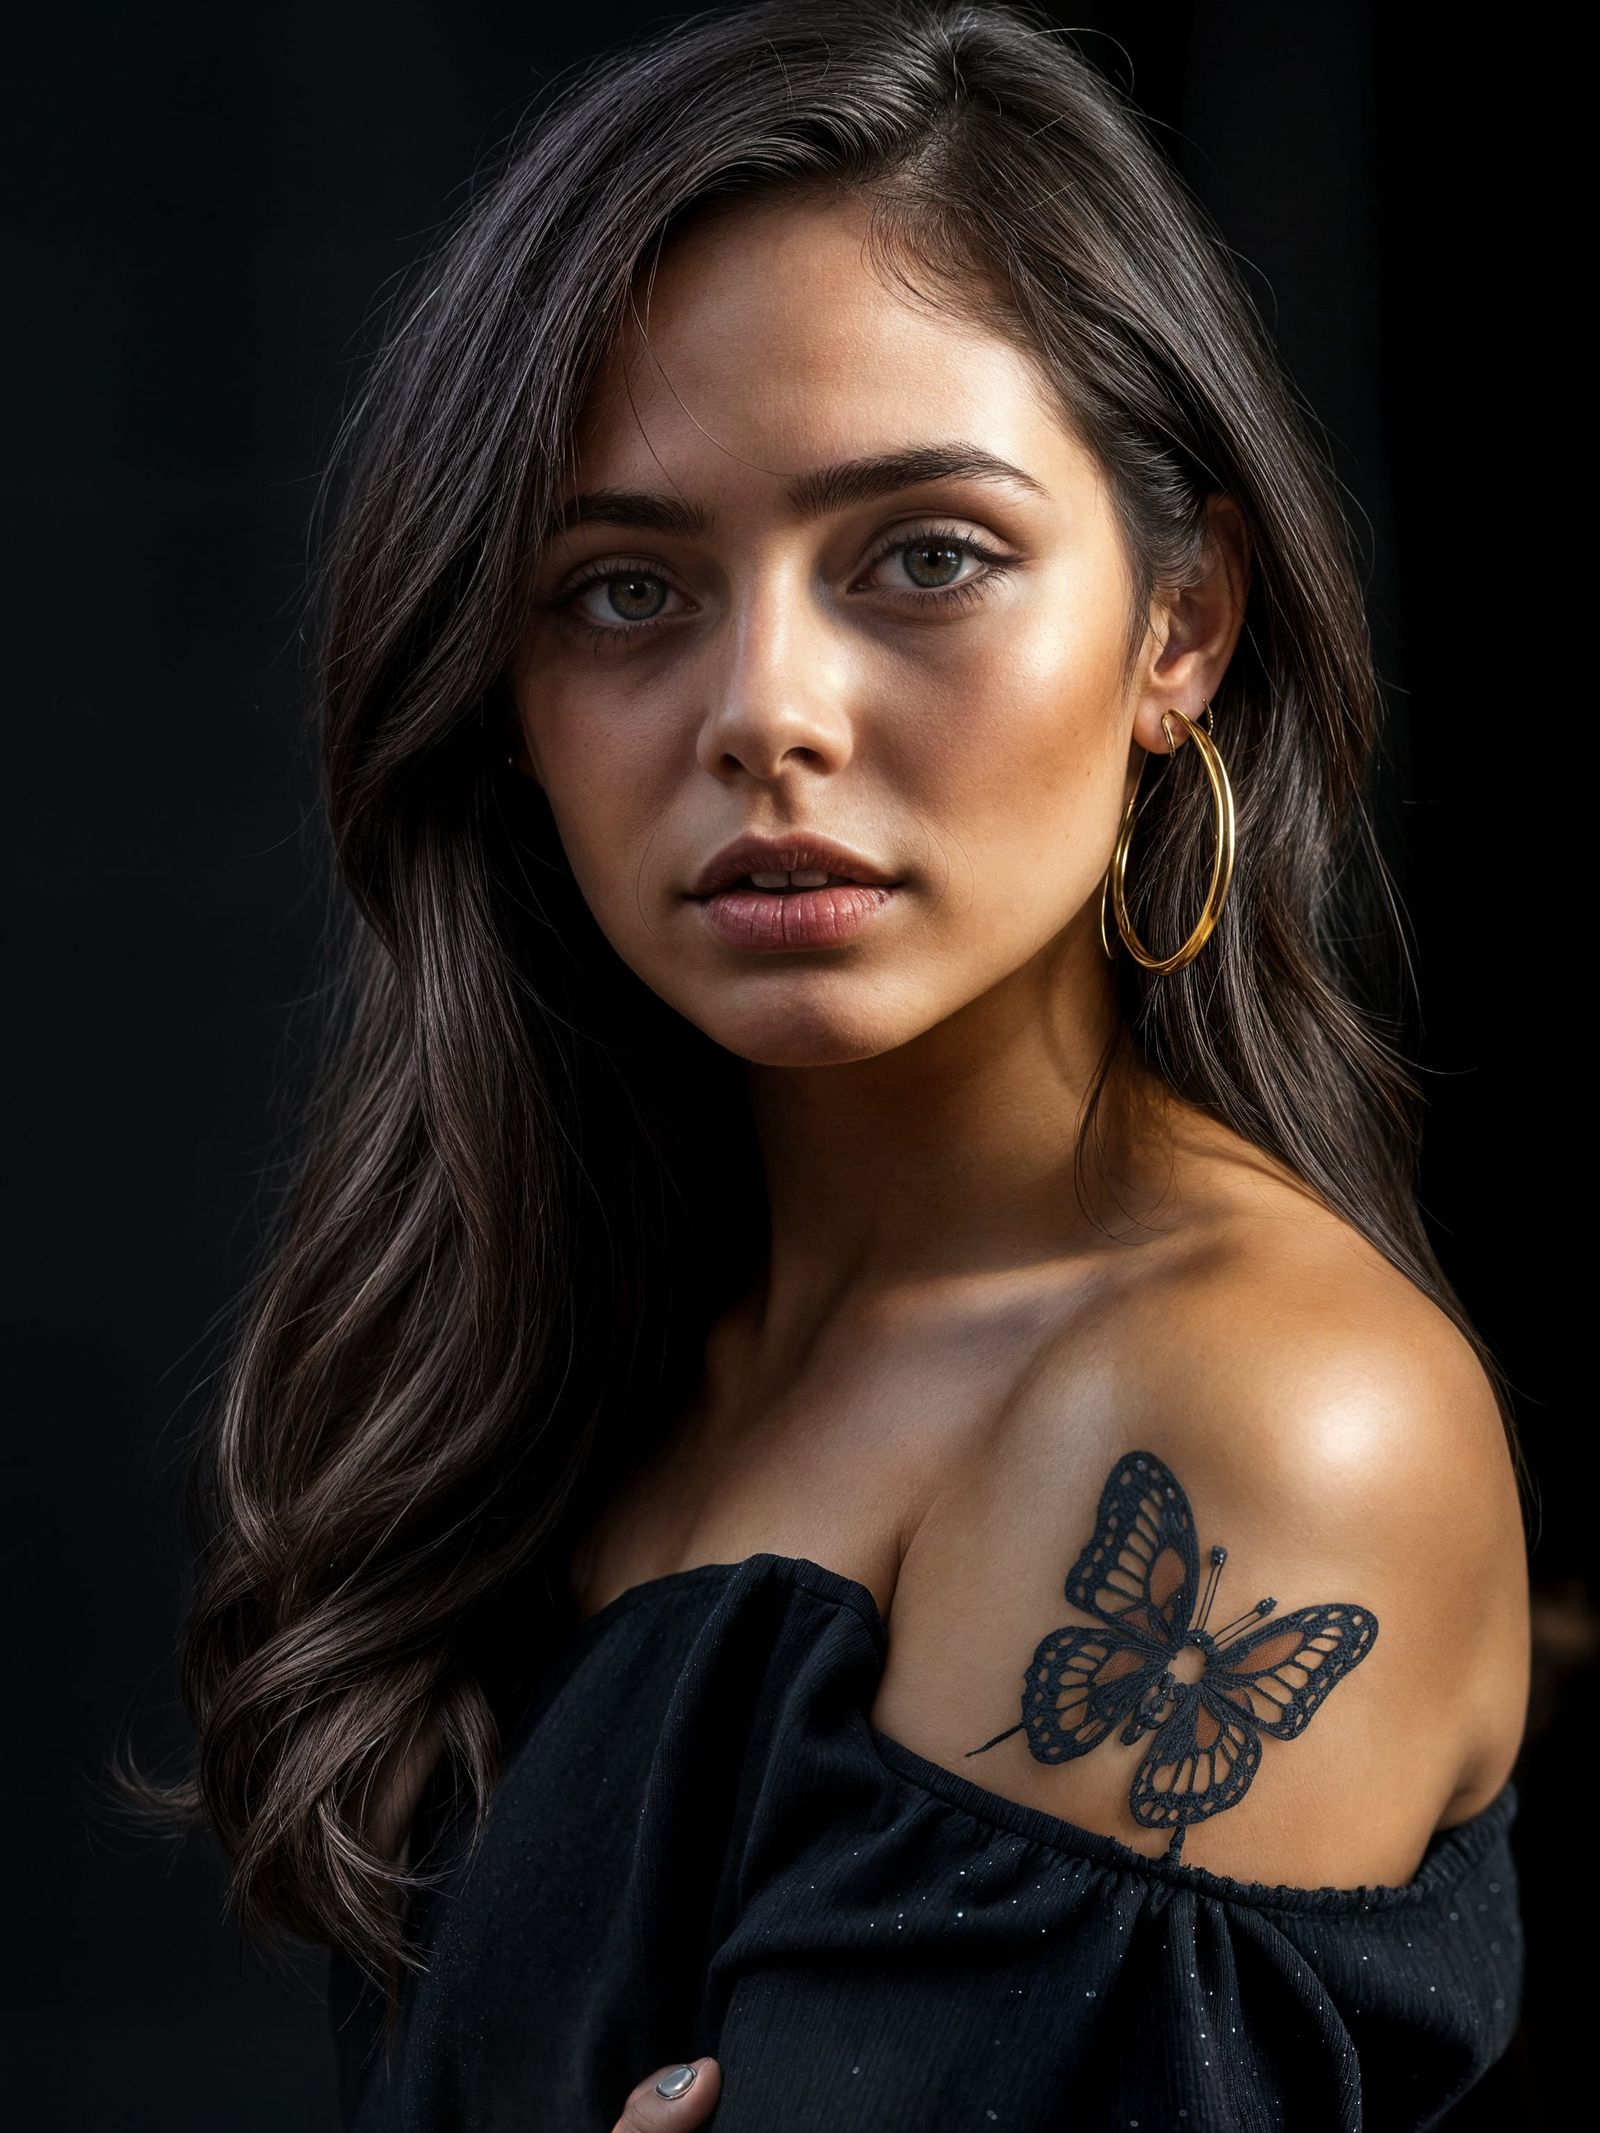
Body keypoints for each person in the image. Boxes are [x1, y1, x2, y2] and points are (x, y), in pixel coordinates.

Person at [148, 3, 1531, 2125]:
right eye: (621, 590)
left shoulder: (1248, 1419)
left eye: (922, 556)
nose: (763, 710)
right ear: (503, 698)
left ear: (1180, 621)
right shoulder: (586, 1354)